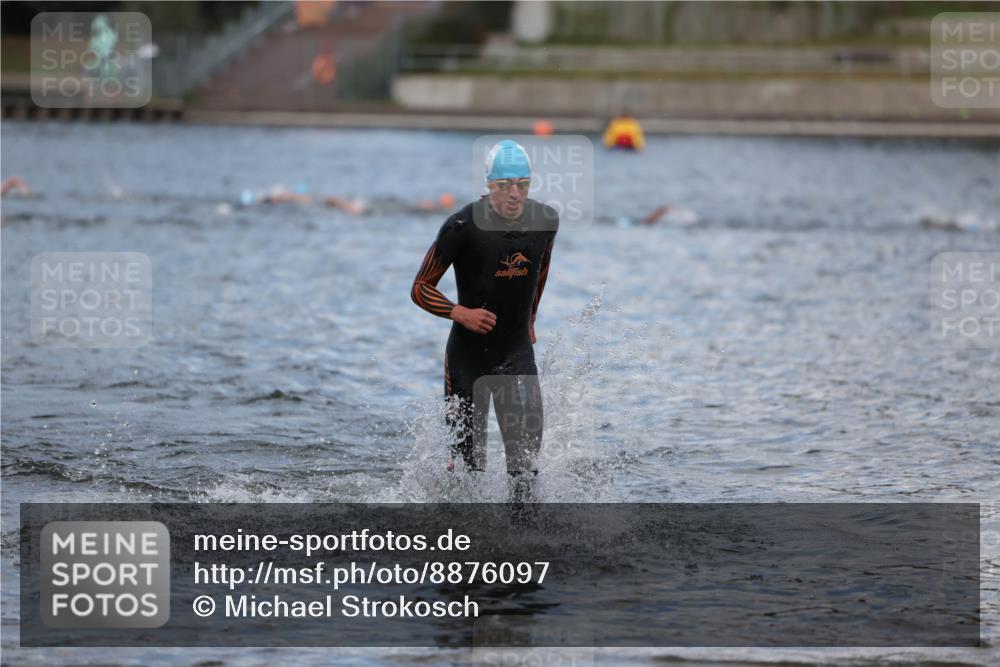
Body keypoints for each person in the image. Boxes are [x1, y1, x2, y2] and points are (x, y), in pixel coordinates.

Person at [411, 140, 558, 502]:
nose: (513, 194)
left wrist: (532, 317)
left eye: (522, 184)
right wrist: (459, 312)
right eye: (504, 185)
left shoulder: (545, 222)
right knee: (467, 470)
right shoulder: (461, 226)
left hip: (516, 353)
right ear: (489, 185)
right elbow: (419, 287)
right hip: (468, 358)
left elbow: (540, 270)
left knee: (525, 469)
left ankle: (525, 543)